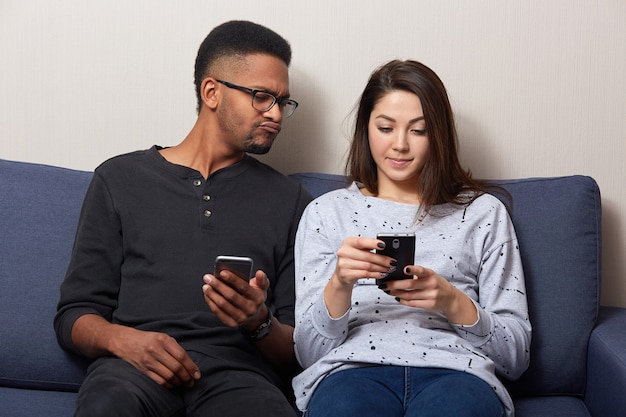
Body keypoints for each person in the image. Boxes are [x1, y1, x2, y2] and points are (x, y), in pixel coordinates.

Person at [54, 20, 312, 417]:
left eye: (283, 102)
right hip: (131, 372)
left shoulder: (291, 200)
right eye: (262, 97)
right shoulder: (119, 179)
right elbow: (74, 314)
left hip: (239, 379)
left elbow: (299, 348)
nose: (276, 114)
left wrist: (258, 321)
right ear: (212, 92)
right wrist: (123, 341)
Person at [292, 60, 531, 417]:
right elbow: (308, 354)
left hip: (457, 374)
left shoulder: (484, 213)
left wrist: (453, 302)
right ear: (365, 129)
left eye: (418, 131)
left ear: (439, 135)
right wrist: (340, 284)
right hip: (352, 372)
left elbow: (516, 357)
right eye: (385, 128)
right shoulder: (326, 213)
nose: (400, 145)